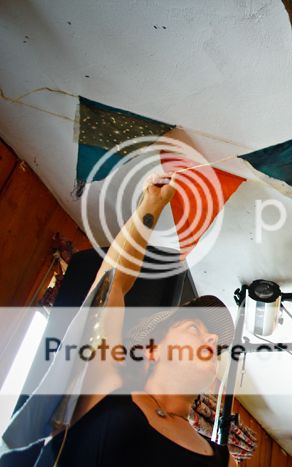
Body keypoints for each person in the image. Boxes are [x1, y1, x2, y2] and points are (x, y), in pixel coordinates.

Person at [2, 175, 238, 466]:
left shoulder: (224, 460)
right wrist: (152, 205)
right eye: (194, 328)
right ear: (152, 349)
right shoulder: (107, 385)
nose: (212, 339)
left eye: (214, 344)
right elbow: (111, 282)